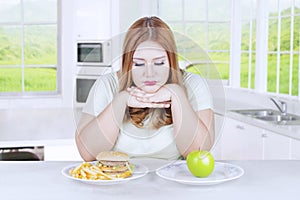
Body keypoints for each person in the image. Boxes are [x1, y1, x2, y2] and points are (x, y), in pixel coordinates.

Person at [75, 16, 215, 161]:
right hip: (119, 180)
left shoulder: (193, 84)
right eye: (139, 64)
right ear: (128, 63)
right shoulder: (107, 84)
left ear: (171, 60)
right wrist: (121, 100)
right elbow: (88, 154)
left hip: (174, 181)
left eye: (159, 63)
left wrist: (177, 94)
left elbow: (199, 152)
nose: (149, 73)